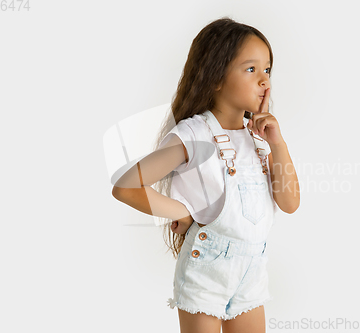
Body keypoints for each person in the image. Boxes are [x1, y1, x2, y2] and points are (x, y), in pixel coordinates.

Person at [112, 17, 300, 333]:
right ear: (215, 77)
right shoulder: (195, 135)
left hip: (251, 273)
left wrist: (277, 143)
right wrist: (182, 212)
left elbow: (290, 202)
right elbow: (126, 186)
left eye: (267, 70)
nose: (264, 81)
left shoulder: (259, 138)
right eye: (251, 69)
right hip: (206, 273)